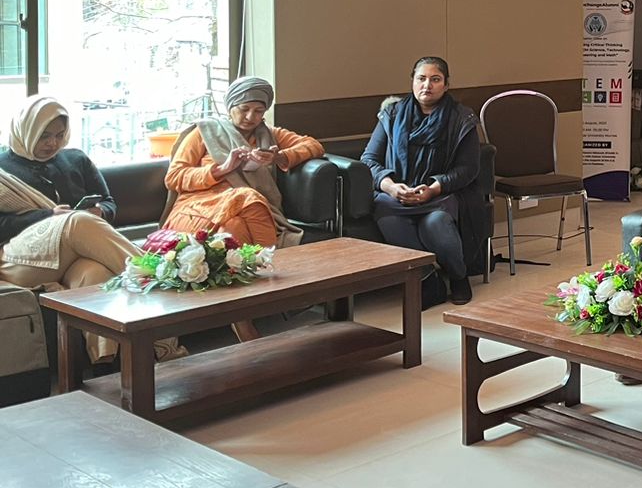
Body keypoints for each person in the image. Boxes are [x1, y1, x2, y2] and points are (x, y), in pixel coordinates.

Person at [0, 98, 184, 363]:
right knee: (77, 221)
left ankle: (107, 365)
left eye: (59, 135)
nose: (52, 143)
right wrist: (49, 216)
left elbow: (108, 202)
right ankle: (162, 278)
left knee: (96, 274)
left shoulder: (75, 159)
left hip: (72, 254)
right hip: (18, 261)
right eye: (44, 136)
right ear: (25, 130)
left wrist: (100, 212)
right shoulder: (3, 169)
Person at [363, 57, 485, 306]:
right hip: (398, 197)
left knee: (434, 224)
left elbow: (468, 168)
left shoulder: (461, 118)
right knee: (386, 213)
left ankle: (458, 276)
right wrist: (390, 186)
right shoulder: (392, 114)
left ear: (446, 85)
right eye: (421, 78)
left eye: (435, 79)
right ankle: (428, 280)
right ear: (412, 82)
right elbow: (369, 159)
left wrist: (433, 188)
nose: (427, 85)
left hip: (442, 195)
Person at [164, 76, 325, 250]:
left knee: (234, 227)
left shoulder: (271, 135)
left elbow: (313, 145)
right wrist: (221, 169)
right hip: (199, 207)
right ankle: (272, 259)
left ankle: (265, 264)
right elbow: (173, 177)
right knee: (248, 197)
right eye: (244, 109)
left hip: (247, 212)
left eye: (258, 111)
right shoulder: (204, 132)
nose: (250, 117)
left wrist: (278, 157)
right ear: (230, 107)